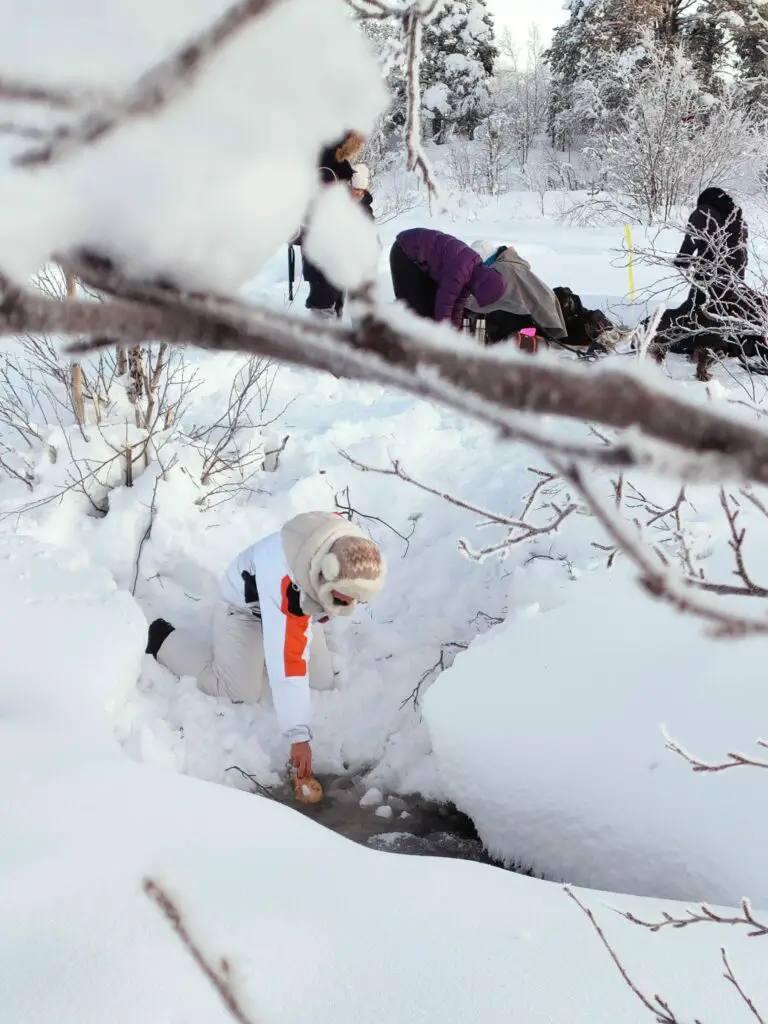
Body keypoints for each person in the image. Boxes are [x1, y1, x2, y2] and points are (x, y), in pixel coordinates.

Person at [146, 511, 386, 778]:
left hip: (299, 603)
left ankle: (256, 653)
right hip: (244, 610)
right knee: (238, 690)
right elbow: (289, 659)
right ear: (326, 574)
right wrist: (299, 737)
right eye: (343, 601)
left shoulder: (349, 550)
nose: (348, 607)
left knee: (321, 680)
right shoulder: (287, 582)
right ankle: (162, 638)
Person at [652, 188, 749, 353]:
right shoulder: (737, 218)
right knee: (715, 312)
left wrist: (682, 262)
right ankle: (712, 343)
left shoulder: (705, 211)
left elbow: (692, 239)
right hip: (732, 277)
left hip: (709, 274)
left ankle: (658, 333)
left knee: (692, 309)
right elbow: (742, 250)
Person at [301, 131, 367, 320]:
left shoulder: (338, 166)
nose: (359, 147)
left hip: (337, 246)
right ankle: (322, 346)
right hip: (322, 248)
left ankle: (330, 342)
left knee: (334, 302)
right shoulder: (325, 169)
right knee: (323, 305)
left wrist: (359, 196)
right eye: (357, 142)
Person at [389, 228, 506, 329]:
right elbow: (444, 303)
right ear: (482, 287)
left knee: (428, 312)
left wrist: (455, 331)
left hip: (421, 262)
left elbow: (458, 305)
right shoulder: (461, 269)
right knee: (416, 311)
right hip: (404, 251)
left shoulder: (472, 274)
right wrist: (445, 338)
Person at [465, 241, 569, 346]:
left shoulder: (502, 268)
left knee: (496, 317)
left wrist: (463, 303)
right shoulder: (511, 263)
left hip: (536, 322)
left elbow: (488, 300)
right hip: (542, 318)